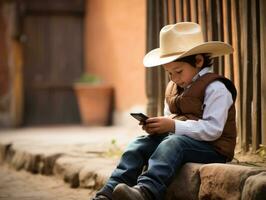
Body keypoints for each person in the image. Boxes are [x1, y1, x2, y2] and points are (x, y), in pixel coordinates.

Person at [91, 22, 237, 200]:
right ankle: (109, 192)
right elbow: (171, 119)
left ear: (198, 61)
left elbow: (213, 130)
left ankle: (145, 191)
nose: (174, 78)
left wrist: (173, 126)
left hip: (213, 148)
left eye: (178, 71)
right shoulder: (174, 87)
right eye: (169, 73)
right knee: (140, 144)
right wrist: (158, 126)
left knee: (173, 143)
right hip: (180, 141)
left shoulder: (216, 88)